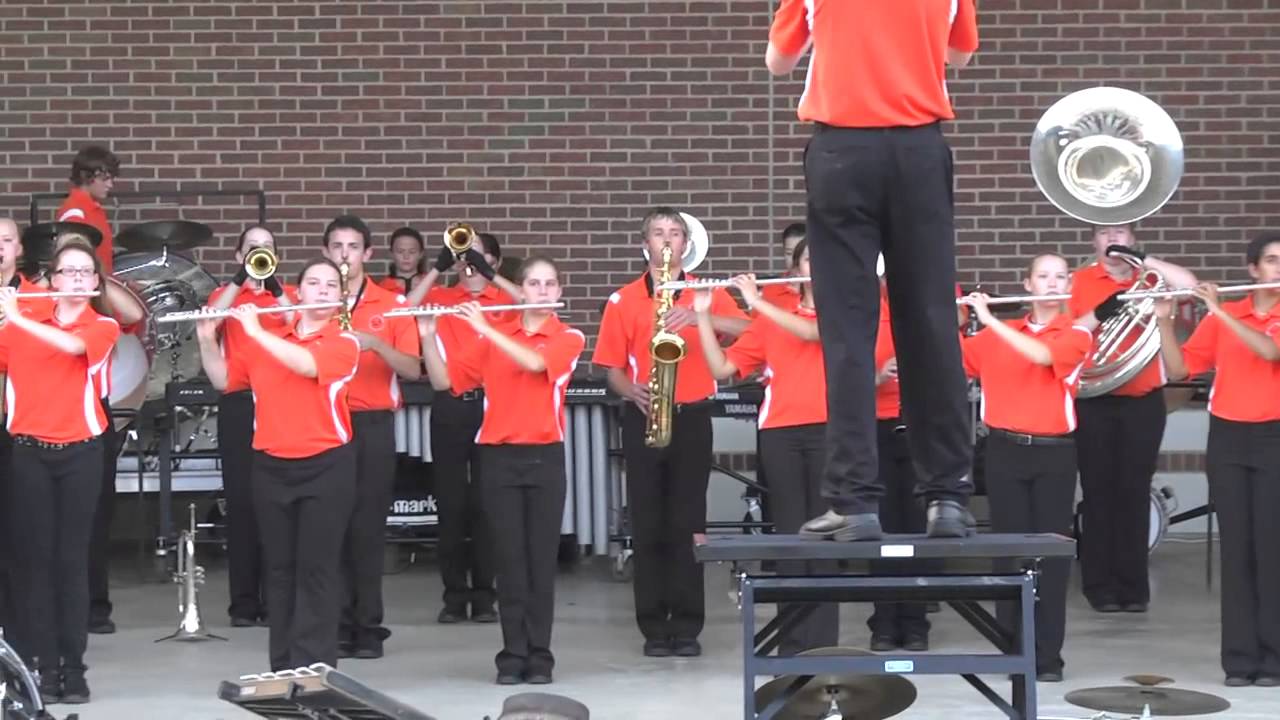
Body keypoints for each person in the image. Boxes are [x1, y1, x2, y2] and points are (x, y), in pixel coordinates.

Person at [766, 0, 982, 541]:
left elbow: (778, 62)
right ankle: (947, 495)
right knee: (931, 324)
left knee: (848, 330)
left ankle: (855, 500)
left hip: (842, 149)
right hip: (920, 150)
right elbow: (958, 56)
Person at [419, 256, 585, 685]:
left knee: (539, 564)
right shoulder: (492, 339)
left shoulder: (568, 336)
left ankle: (540, 656)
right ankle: (512, 655)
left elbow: (534, 364)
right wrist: (428, 336)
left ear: (559, 293)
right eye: (535, 283)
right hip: (497, 459)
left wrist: (486, 328)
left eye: (550, 284)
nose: (543, 291)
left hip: (544, 458)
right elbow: (446, 382)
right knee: (509, 563)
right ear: (523, 290)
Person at [592, 206, 749, 657]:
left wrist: (702, 320)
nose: (666, 240)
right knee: (648, 523)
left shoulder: (706, 292)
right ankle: (652, 628)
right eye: (658, 233)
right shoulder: (623, 300)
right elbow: (611, 370)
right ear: (645, 244)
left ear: (686, 245)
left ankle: (686, 626)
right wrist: (632, 391)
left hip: (693, 414)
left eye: (674, 233)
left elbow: (750, 330)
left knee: (687, 521)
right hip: (644, 411)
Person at [195, 257, 360, 672]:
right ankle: (283, 668)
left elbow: (305, 365)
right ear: (297, 292)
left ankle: (316, 669)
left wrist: (252, 331)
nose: (322, 290)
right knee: (281, 571)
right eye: (313, 283)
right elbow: (223, 380)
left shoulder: (344, 342)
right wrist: (205, 339)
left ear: (340, 298)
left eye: (330, 285)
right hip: (271, 467)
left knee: (317, 572)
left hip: (326, 468)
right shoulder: (265, 341)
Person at [692, 241, 836, 657]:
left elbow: (811, 332)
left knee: (826, 541)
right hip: (780, 432)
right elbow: (723, 368)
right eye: (810, 259)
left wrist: (756, 301)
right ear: (796, 268)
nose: (817, 266)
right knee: (791, 538)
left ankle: (823, 645)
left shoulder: (846, 304)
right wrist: (703, 316)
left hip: (830, 431)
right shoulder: (770, 318)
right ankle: (793, 643)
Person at [1153, 232, 1280, 687]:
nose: (1278, 269)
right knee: (1237, 549)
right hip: (1228, 437)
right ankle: (1240, 660)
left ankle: (1274, 659)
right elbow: (1179, 369)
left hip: (1274, 437)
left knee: (1271, 548)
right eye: (1270, 261)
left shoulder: (1237, 315)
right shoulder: (1225, 316)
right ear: (1253, 271)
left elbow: (1270, 351)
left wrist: (1219, 311)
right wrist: (1166, 323)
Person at [962, 253, 1093, 682]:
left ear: (1068, 285)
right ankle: (1012, 652)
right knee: (1007, 554)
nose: (1052, 283)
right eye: (1044, 276)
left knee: (1050, 557)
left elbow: (1040, 356)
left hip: (1053, 454)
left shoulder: (1075, 333)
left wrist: (990, 319)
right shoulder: (997, 335)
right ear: (1029, 284)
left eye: (1060, 276)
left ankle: (1047, 658)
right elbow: (950, 363)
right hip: (1003, 452)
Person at [0, 241, 120, 704]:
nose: (73, 279)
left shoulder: (102, 326)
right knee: (34, 564)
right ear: (51, 280)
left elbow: (73, 348)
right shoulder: (20, 325)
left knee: (71, 564)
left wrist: (19, 319)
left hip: (80, 456)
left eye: (82, 272)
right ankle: (41, 668)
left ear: (93, 283)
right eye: (65, 271)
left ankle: (73, 668)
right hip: (29, 454)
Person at [1068, 223, 1196, 613]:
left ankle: (1133, 587)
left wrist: (1144, 261)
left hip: (1142, 401)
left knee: (1134, 491)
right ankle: (1100, 586)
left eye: (1120, 233)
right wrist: (1099, 314)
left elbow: (1189, 285)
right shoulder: (1079, 281)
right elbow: (1067, 332)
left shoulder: (1152, 277)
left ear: (1133, 240)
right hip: (1092, 399)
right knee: (1098, 492)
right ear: (1094, 242)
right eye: (1105, 234)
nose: (1113, 241)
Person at [321, 215, 422, 659]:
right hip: (325, 424)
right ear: (327, 252)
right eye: (337, 246)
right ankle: (336, 623)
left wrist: (375, 344)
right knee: (330, 527)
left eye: (353, 246)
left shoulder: (392, 303)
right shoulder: (315, 299)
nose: (345, 254)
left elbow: (413, 370)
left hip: (372, 425)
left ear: (367, 254)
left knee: (366, 528)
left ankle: (366, 626)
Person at [408, 231, 521, 624]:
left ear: (496, 262)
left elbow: (533, 304)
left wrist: (489, 274)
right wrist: (439, 267)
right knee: (452, 505)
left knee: (490, 505)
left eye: (482, 259)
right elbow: (405, 306)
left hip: (495, 407)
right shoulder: (442, 298)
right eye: (466, 260)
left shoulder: (505, 300)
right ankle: (454, 596)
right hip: (451, 406)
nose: (471, 266)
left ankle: (486, 596)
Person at [203, 225, 293, 627]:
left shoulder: (286, 294)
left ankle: (277, 602)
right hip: (239, 403)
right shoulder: (225, 295)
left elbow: (296, 318)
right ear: (239, 256)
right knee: (241, 505)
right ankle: (243, 604)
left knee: (276, 505)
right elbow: (213, 321)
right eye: (253, 249)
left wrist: (271, 285)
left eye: (268, 248)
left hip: (280, 404)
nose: (261, 254)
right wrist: (241, 281)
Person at [866, 266, 931, 652]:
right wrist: (877, 377)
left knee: (917, 529)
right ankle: (884, 622)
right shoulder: (861, 318)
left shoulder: (921, 315)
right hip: (874, 427)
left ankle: (916, 621)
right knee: (883, 528)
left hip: (917, 424)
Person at [55, 145, 119, 273]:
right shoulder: (75, 212)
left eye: (111, 179)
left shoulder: (91, 207)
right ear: (86, 176)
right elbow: (75, 261)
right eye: (104, 179)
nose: (110, 184)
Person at [759, 223, 806, 306]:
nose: (794, 259)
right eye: (789, 253)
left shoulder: (825, 290)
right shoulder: (770, 290)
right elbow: (757, 318)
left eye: (800, 253)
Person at [379, 226, 427, 294]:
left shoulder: (432, 287)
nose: (406, 257)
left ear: (421, 254)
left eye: (412, 252)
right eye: (400, 251)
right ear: (391, 254)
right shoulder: (381, 289)